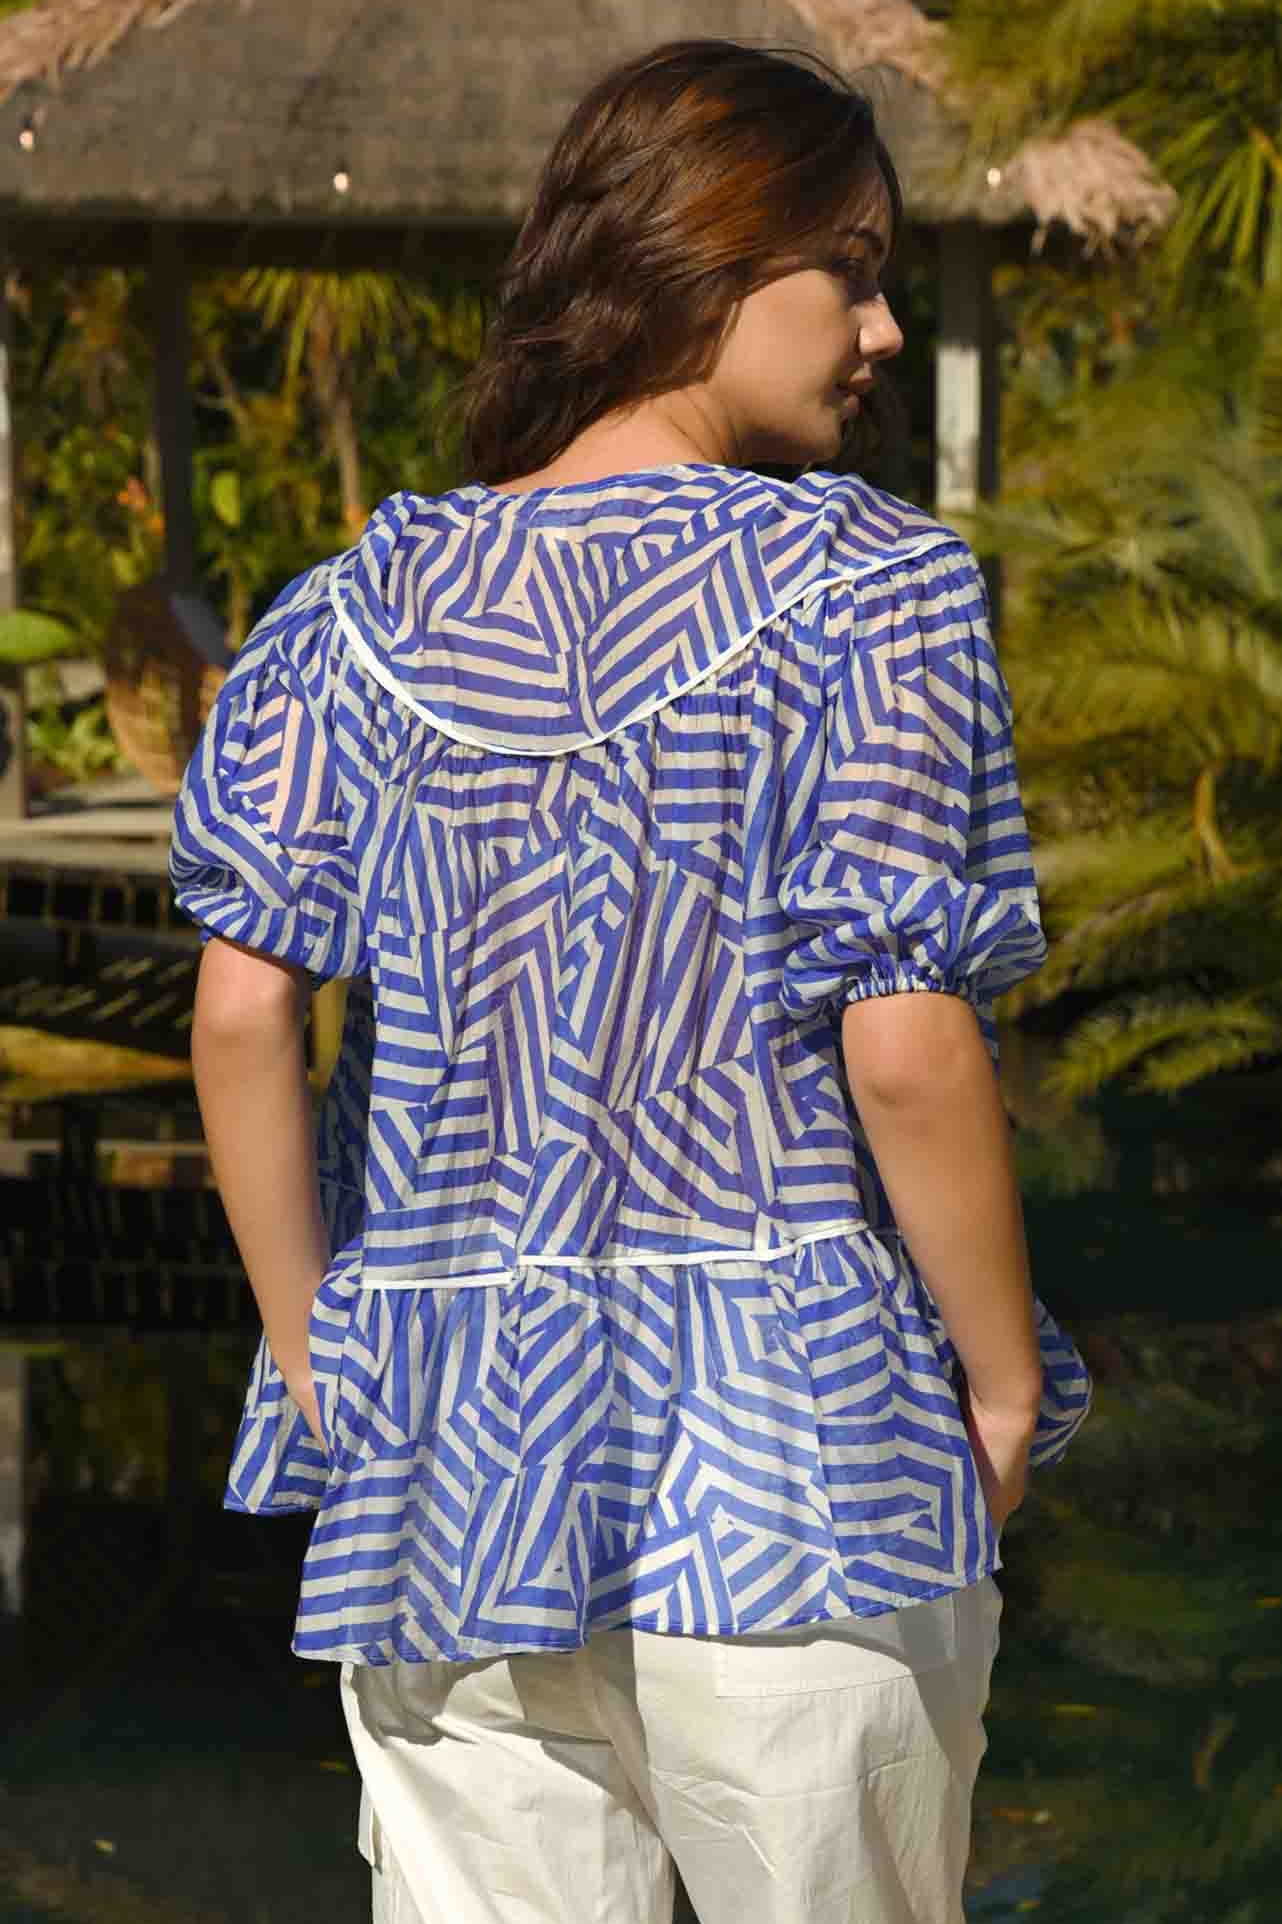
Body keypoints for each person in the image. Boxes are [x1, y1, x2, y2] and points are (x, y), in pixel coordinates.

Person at [171, 37, 1093, 1924]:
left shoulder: (343, 616)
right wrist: (1001, 1386)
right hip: (799, 1454)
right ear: (698, 255)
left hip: (447, 1474)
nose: (881, 328)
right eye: (849, 268)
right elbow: (903, 1040)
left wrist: (312, 1349)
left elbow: (242, 1011)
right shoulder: (870, 592)